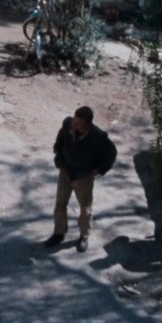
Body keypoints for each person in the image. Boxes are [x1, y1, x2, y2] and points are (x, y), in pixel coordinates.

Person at [44, 106, 117, 252]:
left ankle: (84, 236)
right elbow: (61, 135)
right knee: (60, 203)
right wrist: (57, 147)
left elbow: (111, 154)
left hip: (83, 176)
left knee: (85, 208)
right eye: (74, 121)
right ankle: (59, 233)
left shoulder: (98, 137)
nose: (74, 125)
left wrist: (98, 170)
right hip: (65, 171)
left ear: (87, 124)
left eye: (78, 124)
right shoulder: (68, 124)